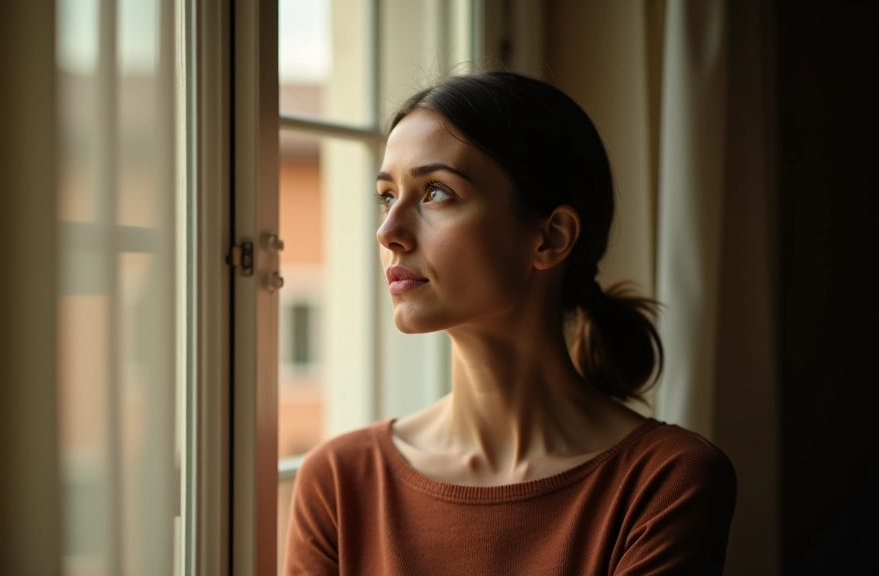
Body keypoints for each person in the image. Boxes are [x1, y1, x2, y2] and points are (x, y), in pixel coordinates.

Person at [284, 71, 736, 575]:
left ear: (551, 239)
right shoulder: (339, 481)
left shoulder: (668, 480)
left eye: (435, 192)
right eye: (387, 196)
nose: (388, 232)